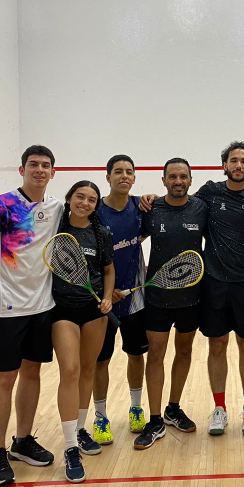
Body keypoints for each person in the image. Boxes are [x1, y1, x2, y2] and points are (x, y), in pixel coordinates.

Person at [0, 145, 60, 486]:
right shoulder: (0, 206)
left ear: (54, 172)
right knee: (4, 379)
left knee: (32, 374)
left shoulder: (56, 208)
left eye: (45, 165)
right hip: (5, 309)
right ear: (21, 169)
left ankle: (22, 441)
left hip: (43, 307)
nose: (39, 170)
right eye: (33, 164)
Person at [193, 141, 244, 435]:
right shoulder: (210, 192)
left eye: (243, 161)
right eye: (233, 160)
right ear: (224, 165)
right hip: (213, 282)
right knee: (217, 345)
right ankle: (219, 409)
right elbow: (182, 207)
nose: (238, 165)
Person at [134, 158, 209, 449]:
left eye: (183, 177)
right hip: (157, 297)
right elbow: (129, 241)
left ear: (191, 180)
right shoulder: (151, 209)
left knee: (185, 350)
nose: (178, 181)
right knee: (156, 353)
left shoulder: (202, 208)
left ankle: (173, 408)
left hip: (192, 296)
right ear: (163, 180)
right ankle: (154, 419)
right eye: (173, 177)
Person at [50, 181, 115, 483]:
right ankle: (69, 447)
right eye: (80, 197)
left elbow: (108, 270)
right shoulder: (55, 228)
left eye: (91, 200)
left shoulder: (100, 234)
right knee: (71, 370)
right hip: (62, 309)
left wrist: (107, 296)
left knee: (88, 369)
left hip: (94, 311)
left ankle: (79, 428)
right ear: (69, 199)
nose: (85, 203)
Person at [92, 155, 149, 445]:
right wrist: (105, 288)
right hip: (102, 302)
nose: (123, 176)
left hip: (135, 299)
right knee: (100, 360)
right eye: (117, 172)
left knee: (136, 355)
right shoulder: (94, 211)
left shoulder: (141, 208)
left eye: (129, 172)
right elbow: (83, 255)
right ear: (108, 177)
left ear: (134, 177)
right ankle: (100, 418)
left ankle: (136, 409)